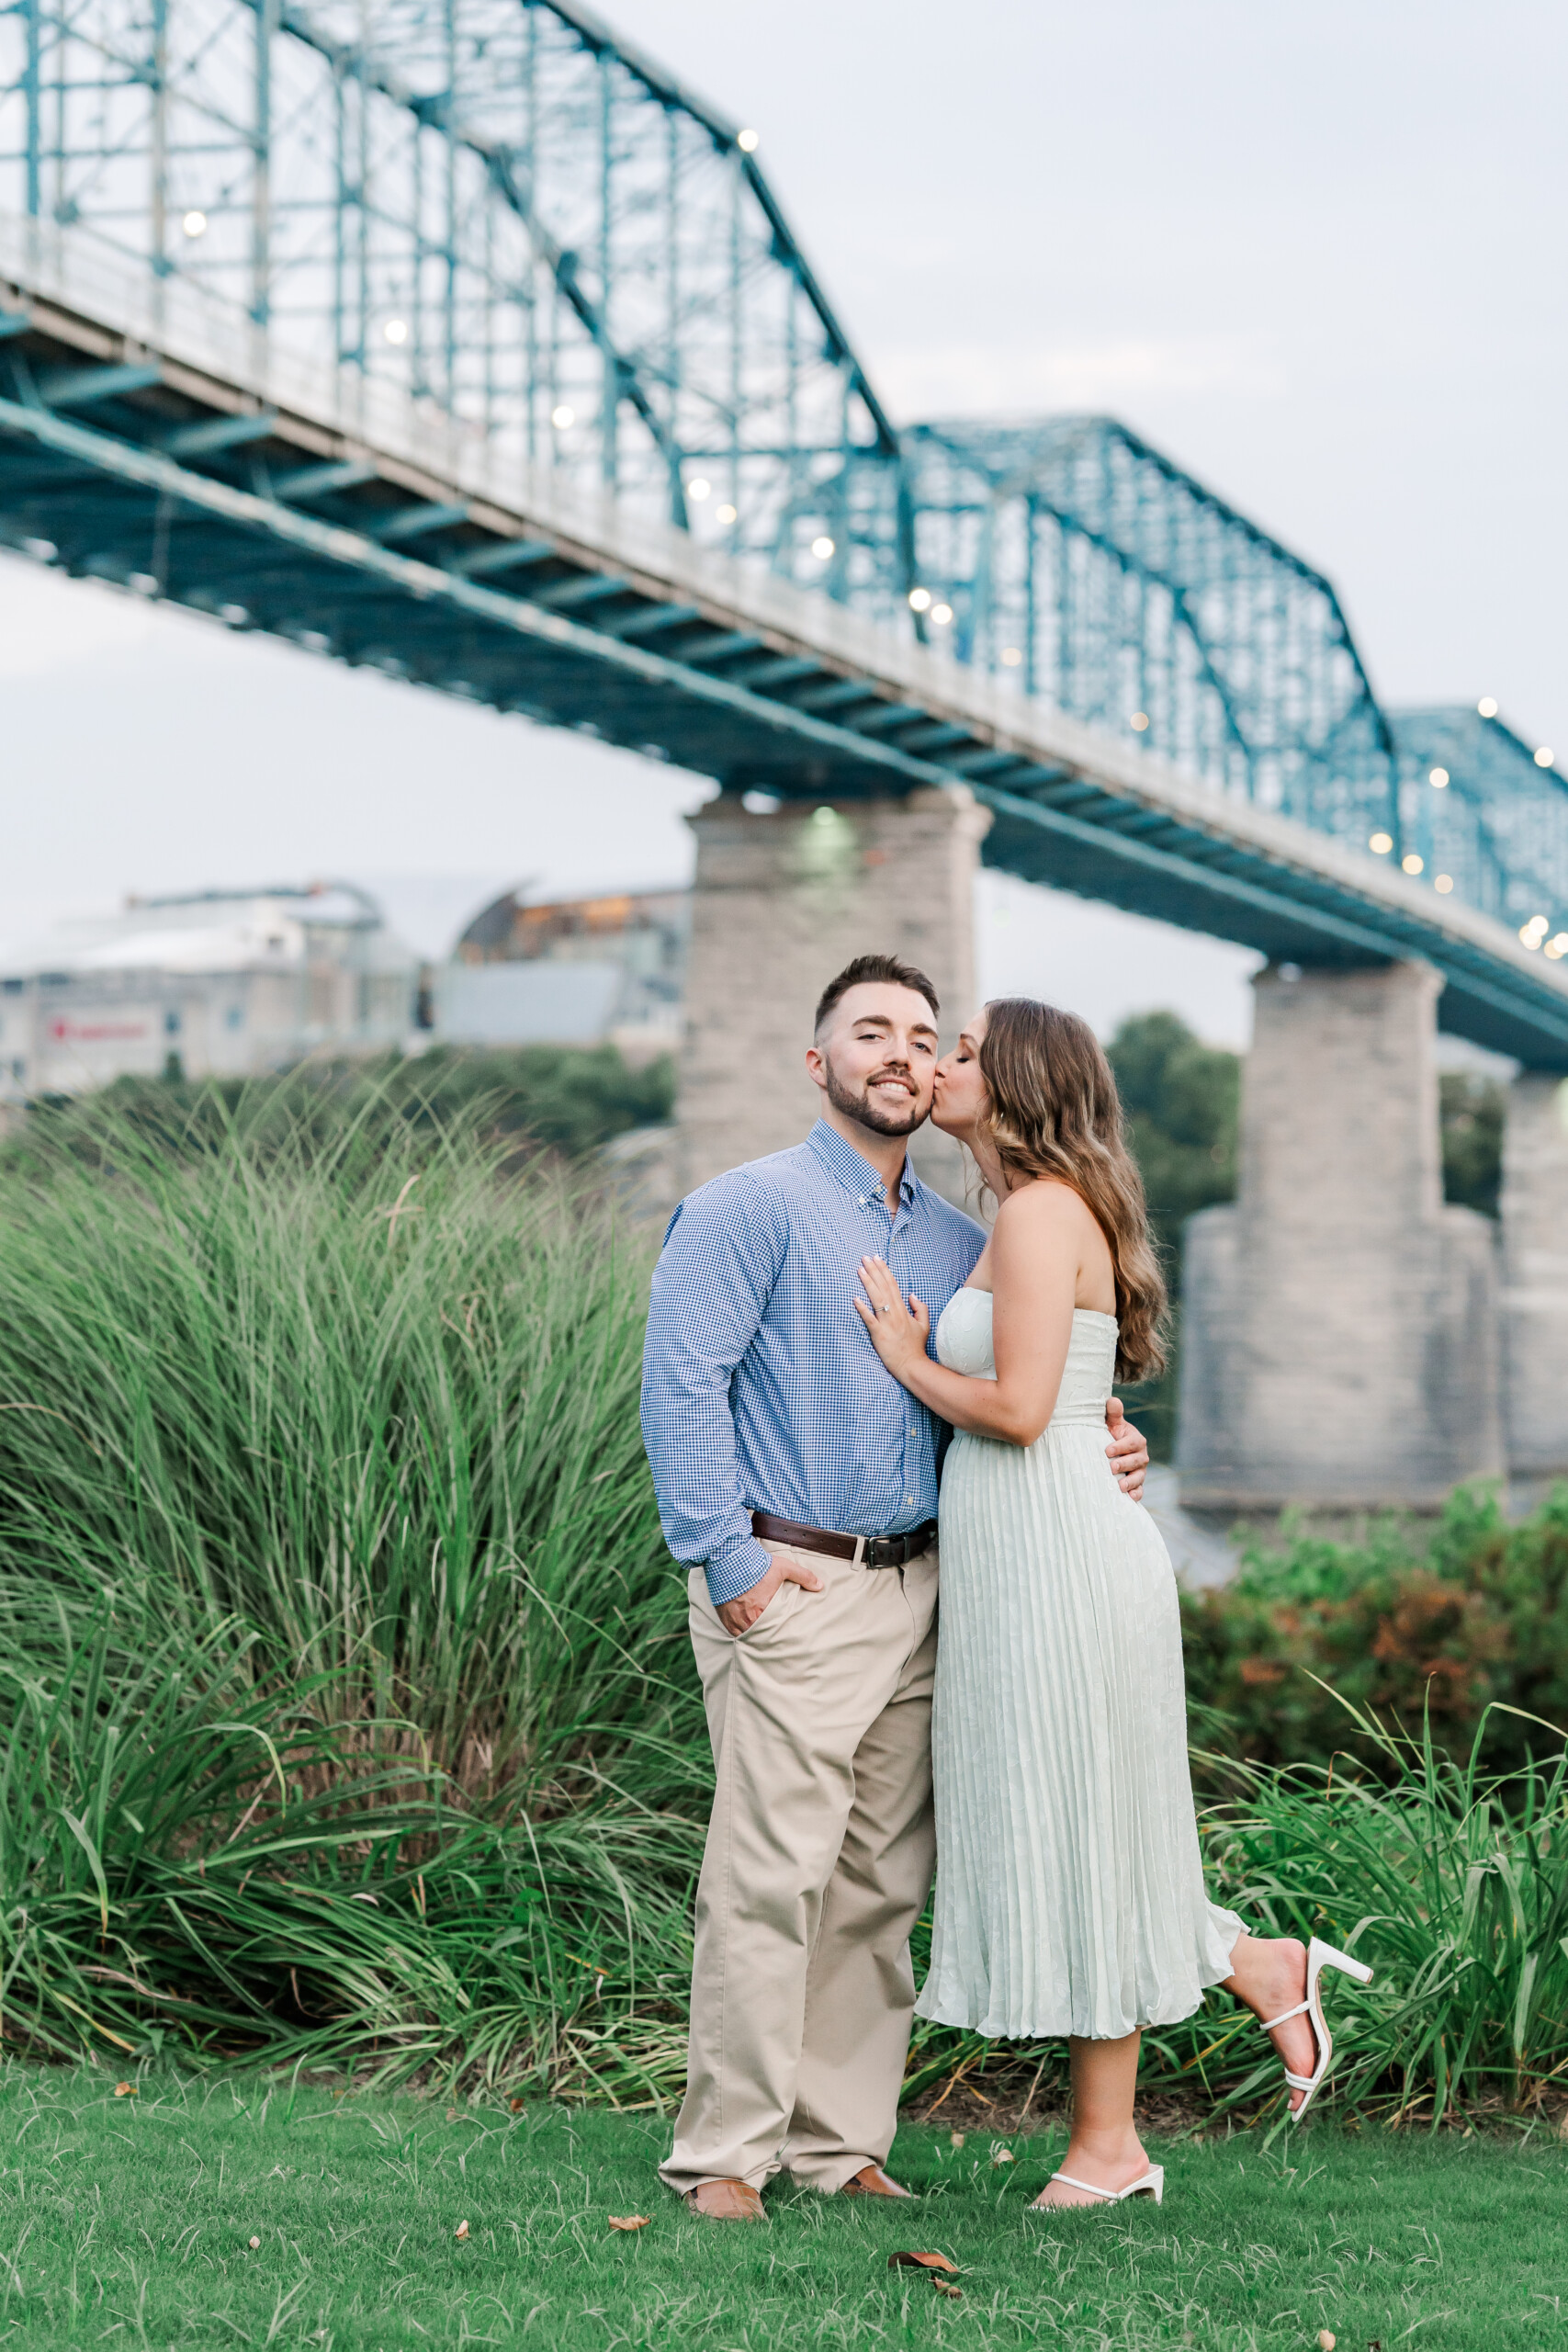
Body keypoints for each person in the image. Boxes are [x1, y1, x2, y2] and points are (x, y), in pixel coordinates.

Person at [639, 955, 1151, 2220]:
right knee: (771, 1879)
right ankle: (724, 2159)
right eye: (871, 1032)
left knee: (879, 1888)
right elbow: (682, 1386)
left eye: (927, 1038)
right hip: (795, 1583)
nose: (904, 1055)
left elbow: (1028, 1382)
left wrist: (1113, 1438)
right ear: (819, 1064)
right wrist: (733, 1568)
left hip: (928, 1589)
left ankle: (838, 2145)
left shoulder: (960, 1236)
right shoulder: (742, 1208)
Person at [853, 998, 1373, 2210]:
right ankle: (1238, 1978)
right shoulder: (1017, 1213)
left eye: (965, 1051)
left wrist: (906, 1358)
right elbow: (1067, 1399)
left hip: (1063, 1562)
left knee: (1081, 1825)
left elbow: (1025, 1411)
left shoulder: (1037, 1214)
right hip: (1033, 1549)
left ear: (1022, 1082)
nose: (940, 1064)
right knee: (1069, 1821)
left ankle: (1112, 2144)